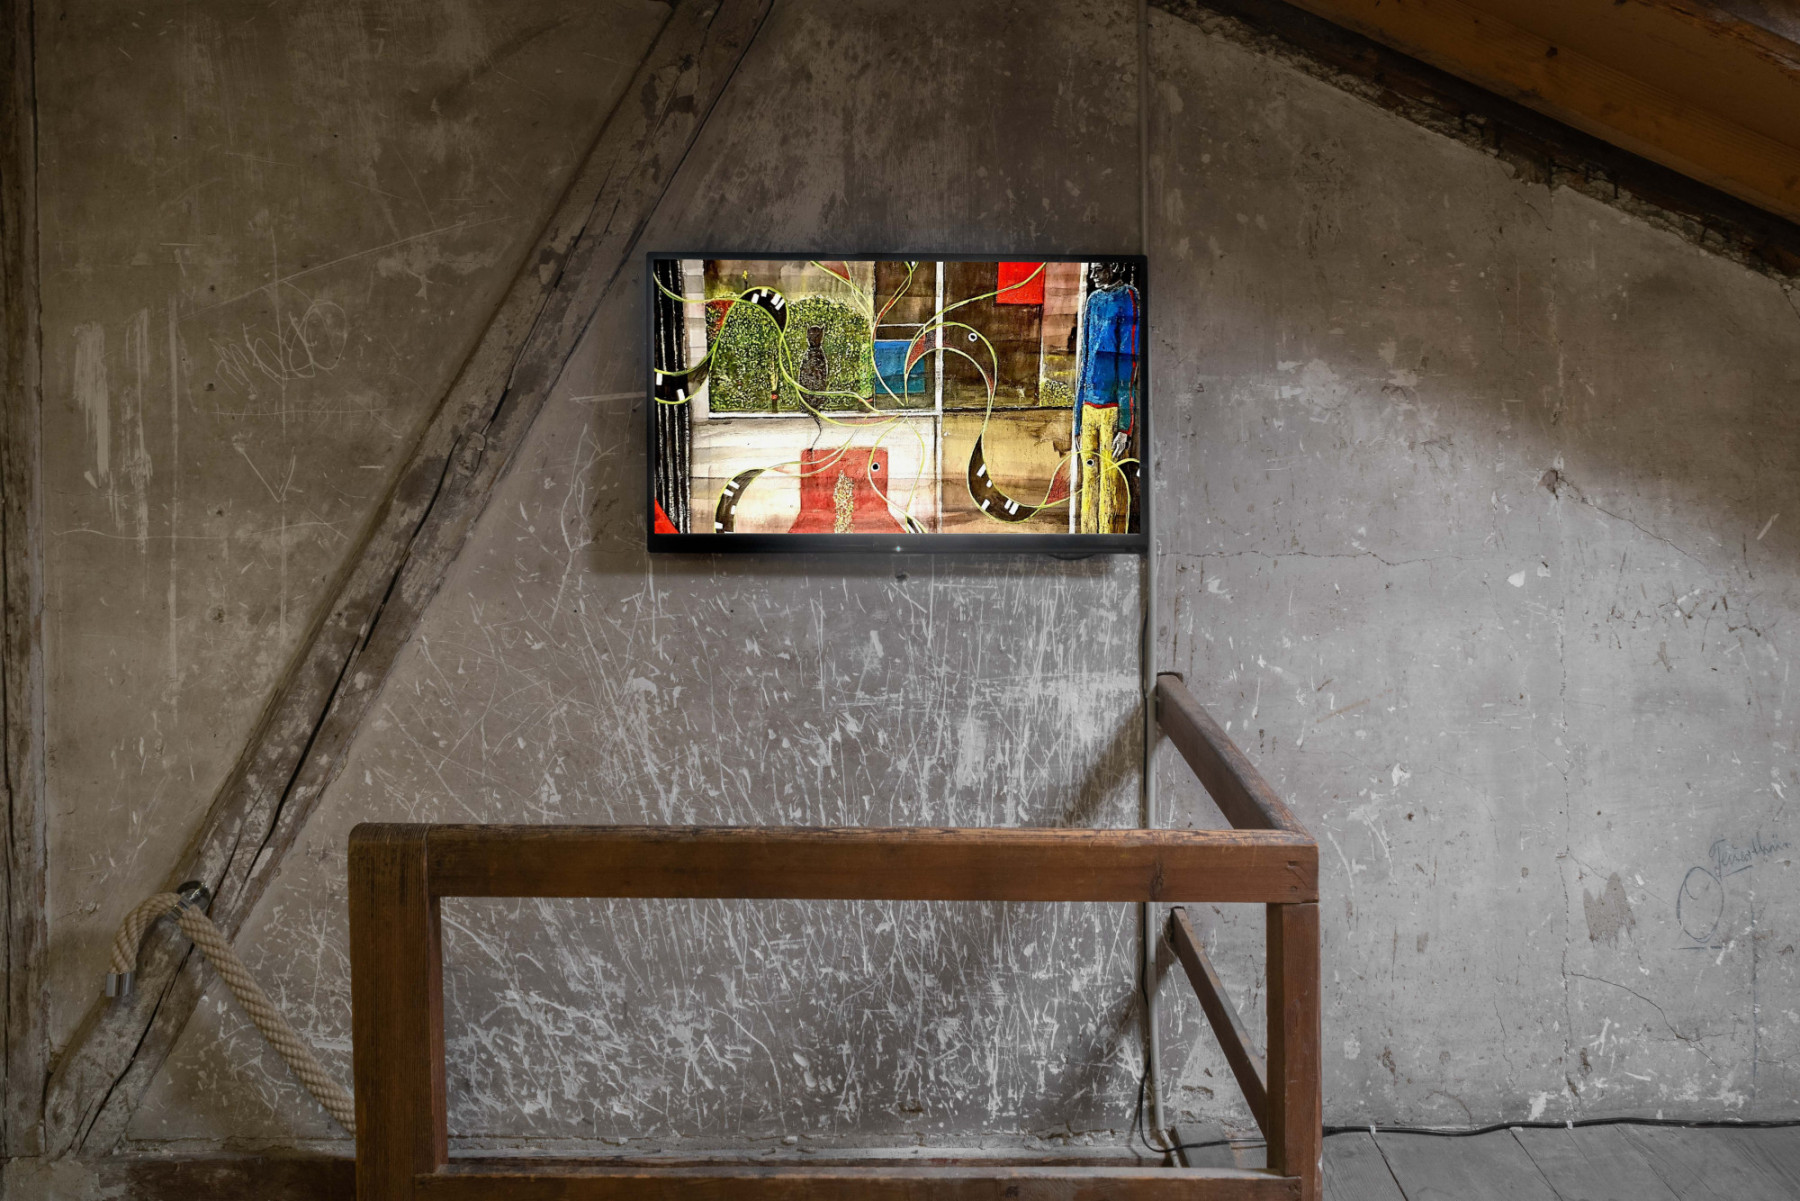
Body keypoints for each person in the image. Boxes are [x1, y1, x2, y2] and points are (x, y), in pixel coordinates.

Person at [1074, 261, 1140, 533]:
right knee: (1089, 481)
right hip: (1088, 407)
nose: (1093, 275)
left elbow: (1128, 363)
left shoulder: (1128, 297)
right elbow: (1085, 357)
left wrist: (1125, 427)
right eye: (1091, 270)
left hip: (1112, 408)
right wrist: (1077, 421)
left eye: (1098, 269)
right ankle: (1088, 539)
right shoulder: (1093, 301)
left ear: (1113, 267)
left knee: (1110, 482)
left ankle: (1108, 541)